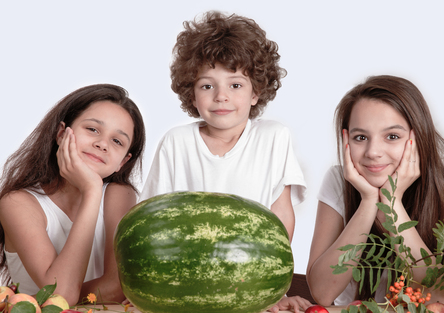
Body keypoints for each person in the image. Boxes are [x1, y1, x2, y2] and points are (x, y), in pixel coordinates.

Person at [139, 11, 309, 312]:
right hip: (185, 286)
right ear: (191, 94)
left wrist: (272, 291)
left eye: (235, 85)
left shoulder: (274, 137)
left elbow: (281, 215)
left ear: (256, 92)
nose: (221, 97)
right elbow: (153, 220)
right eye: (207, 86)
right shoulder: (176, 142)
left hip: (250, 285)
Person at [306, 75, 444, 306]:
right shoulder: (338, 180)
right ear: (346, 140)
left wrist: (391, 205)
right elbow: (323, 293)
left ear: (418, 137)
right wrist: (369, 201)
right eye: (360, 137)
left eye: (392, 136)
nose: (373, 151)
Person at [0, 84, 145, 305]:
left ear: (123, 162)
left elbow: (118, 288)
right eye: (93, 129)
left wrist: (92, 190)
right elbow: (61, 295)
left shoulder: (120, 196)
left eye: (117, 141)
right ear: (61, 133)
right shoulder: (17, 203)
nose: (102, 144)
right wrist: (91, 191)